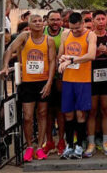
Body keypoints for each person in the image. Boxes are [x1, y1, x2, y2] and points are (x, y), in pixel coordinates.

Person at [1, 14, 56, 161]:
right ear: (29, 24)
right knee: (27, 117)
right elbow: (9, 49)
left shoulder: (48, 40)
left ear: (43, 24)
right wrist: (6, 66)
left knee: (43, 114)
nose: (38, 23)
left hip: (43, 81)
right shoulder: (24, 36)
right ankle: (29, 146)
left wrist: (49, 82)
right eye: (35, 21)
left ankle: (40, 146)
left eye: (40, 21)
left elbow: (52, 62)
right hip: (27, 83)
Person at [57, 12, 97, 159]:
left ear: (82, 23)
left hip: (83, 80)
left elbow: (91, 55)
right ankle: (69, 144)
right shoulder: (66, 34)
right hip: (68, 79)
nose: (75, 31)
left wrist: (72, 60)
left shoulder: (90, 35)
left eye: (77, 28)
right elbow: (61, 53)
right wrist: (62, 59)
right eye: (72, 28)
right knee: (68, 113)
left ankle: (80, 145)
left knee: (81, 113)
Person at [85, 10, 107, 157]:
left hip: (106, 78)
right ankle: (91, 143)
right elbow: (84, 57)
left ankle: (105, 142)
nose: (101, 21)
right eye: (98, 19)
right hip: (90, 79)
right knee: (92, 111)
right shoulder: (88, 37)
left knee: (105, 110)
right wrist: (96, 52)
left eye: (103, 19)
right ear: (93, 21)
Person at [43, 10, 66, 156]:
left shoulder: (66, 33)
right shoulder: (41, 32)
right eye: (52, 20)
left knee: (60, 111)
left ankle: (61, 141)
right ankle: (49, 141)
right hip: (43, 77)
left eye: (58, 20)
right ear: (47, 21)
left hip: (61, 77)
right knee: (46, 112)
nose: (55, 22)